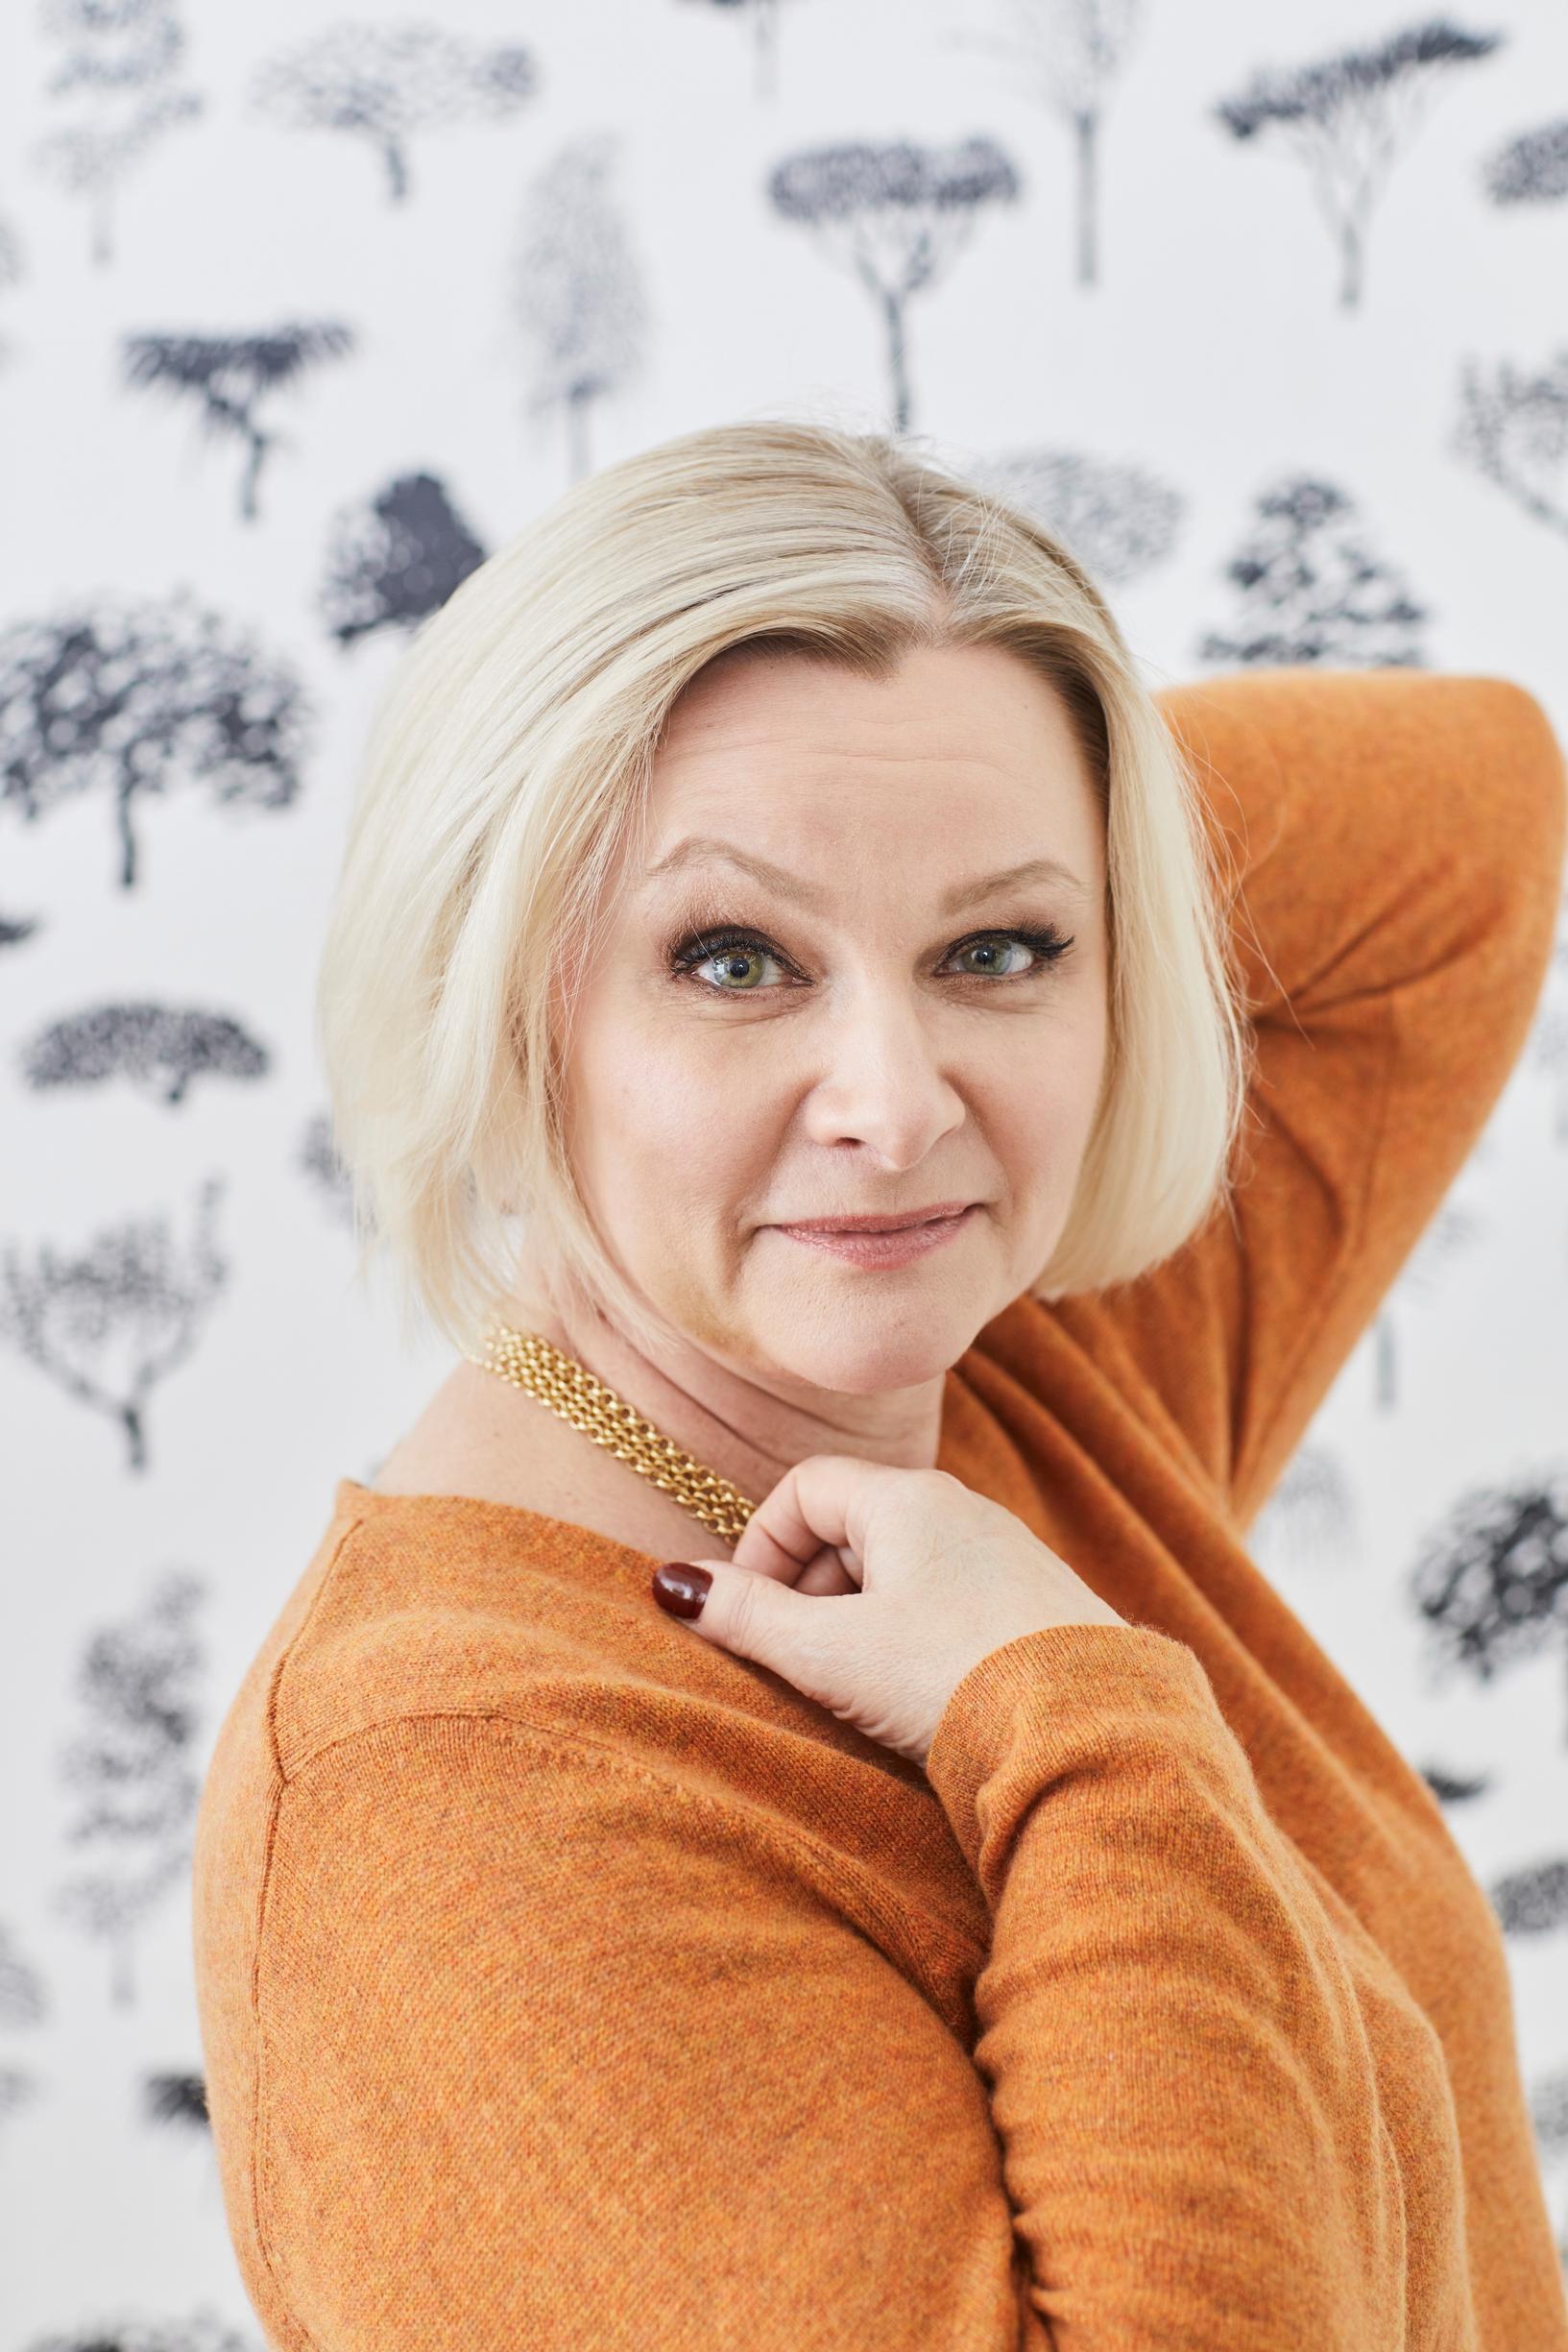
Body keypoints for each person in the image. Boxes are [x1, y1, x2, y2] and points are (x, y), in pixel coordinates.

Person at [190, 416, 1568, 2348]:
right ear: (501, 997)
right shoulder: (450, 1807)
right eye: (731, 957)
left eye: (999, 947)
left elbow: (1476, 815)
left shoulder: (1028, 1373)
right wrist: (1065, 1711)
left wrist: (984, 768)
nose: (898, 1107)